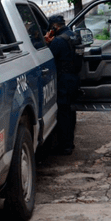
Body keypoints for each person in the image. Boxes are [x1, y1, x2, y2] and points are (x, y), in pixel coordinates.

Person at [44, 14, 80, 155]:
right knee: (71, 112)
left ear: (54, 27)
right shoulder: (73, 35)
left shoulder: (57, 41)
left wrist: (48, 43)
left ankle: (65, 146)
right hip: (74, 78)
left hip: (63, 79)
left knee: (63, 113)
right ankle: (70, 142)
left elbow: (49, 58)